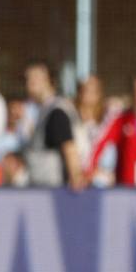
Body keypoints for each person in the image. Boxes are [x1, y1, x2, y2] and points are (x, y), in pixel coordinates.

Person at [22, 61, 84, 189]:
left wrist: (76, 179)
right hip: (46, 188)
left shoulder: (56, 110)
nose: (30, 82)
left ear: (49, 80)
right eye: (28, 78)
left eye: (35, 78)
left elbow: (69, 148)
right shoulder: (43, 110)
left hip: (55, 190)